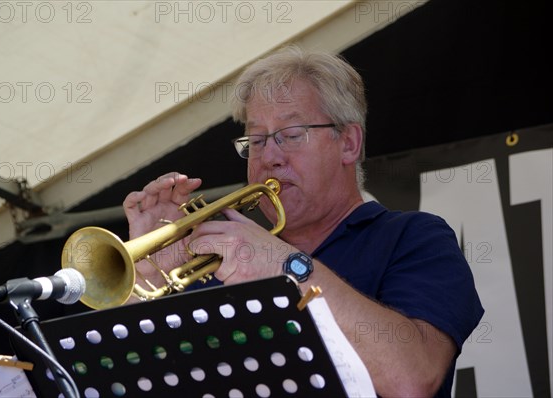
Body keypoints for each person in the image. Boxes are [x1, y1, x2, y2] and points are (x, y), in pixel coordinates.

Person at [123, 45, 484, 397]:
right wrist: (147, 274)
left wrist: (285, 265)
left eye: (292, 135)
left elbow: (412, 380)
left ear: (348, 143)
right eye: (257, 139)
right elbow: (132, 373)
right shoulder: (218, 261)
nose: (270, 158)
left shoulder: (414, 238)